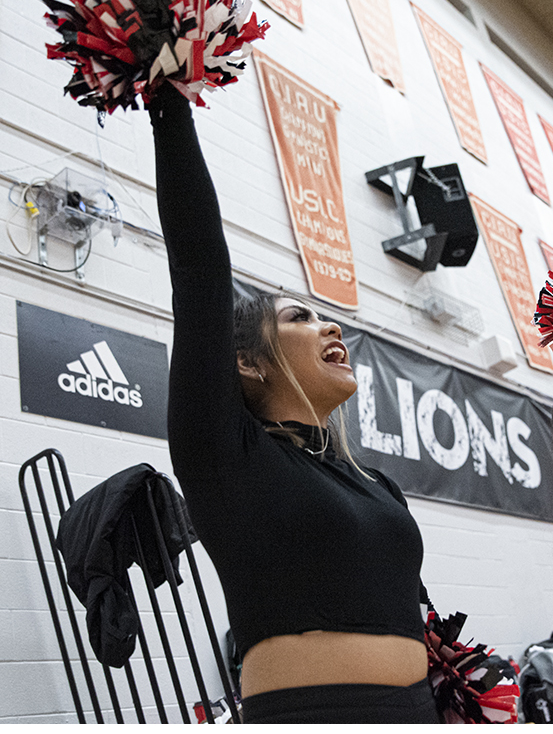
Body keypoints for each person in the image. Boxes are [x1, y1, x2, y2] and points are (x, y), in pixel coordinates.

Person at [146, 84, 437, 724]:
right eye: (301, 317)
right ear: (247, 360)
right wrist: (169, 98)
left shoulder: (378, 484)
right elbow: (199, 267)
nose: (333, 328)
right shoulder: (227, 454)